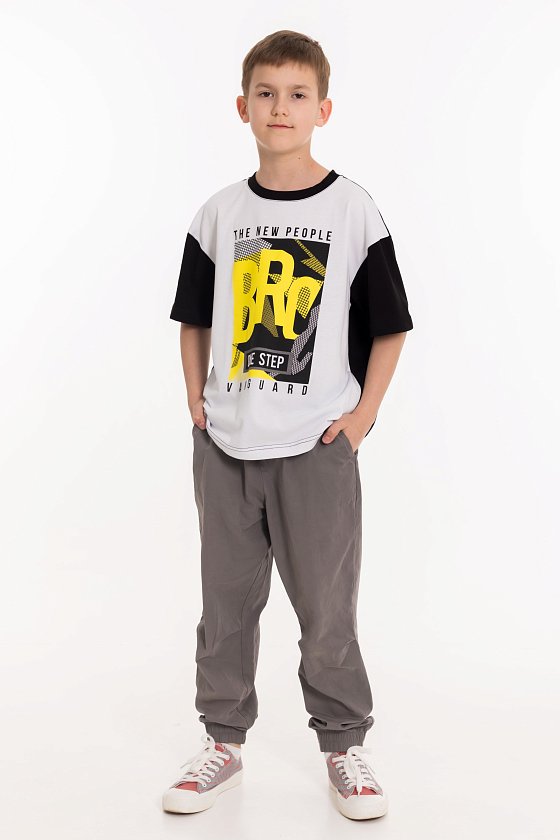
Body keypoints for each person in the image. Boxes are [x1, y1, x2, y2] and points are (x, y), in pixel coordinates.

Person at [162, 29, 413, 821]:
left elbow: (390, 326)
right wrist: (197, 403)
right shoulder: (219, 213)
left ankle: (344, 746)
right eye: (266, 93)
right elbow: (194, 318)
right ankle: (222, 743)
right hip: (227, 444)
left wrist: (363, 417)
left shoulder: (352, 210)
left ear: (323, 110)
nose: (281, 107)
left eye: (297, 94)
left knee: (326, 609)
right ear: (242, 107)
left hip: (316, 446)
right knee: (224, 608)